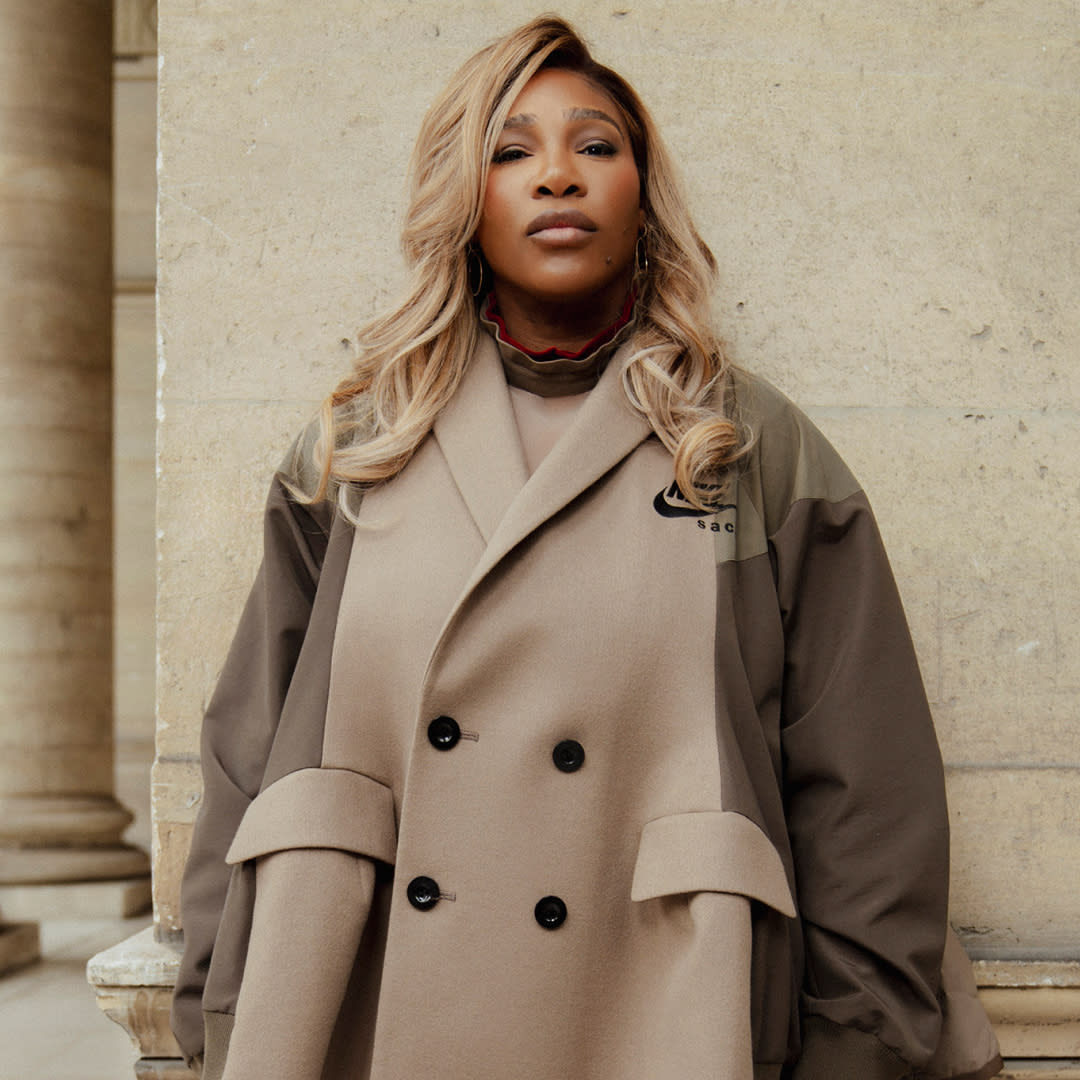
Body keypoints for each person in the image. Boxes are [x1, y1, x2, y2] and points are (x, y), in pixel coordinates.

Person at [170, 15, 1003, 1080]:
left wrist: (854, 1046)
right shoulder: (354, 450)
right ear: (463, 202)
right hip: (368, 1015)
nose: (556, 175)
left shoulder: (747, 445)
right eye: (510, 151)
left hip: (666, 1018)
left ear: (641, 197)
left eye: (595, 146)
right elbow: (248, 757)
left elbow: (867, 789)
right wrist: (219, 1010)